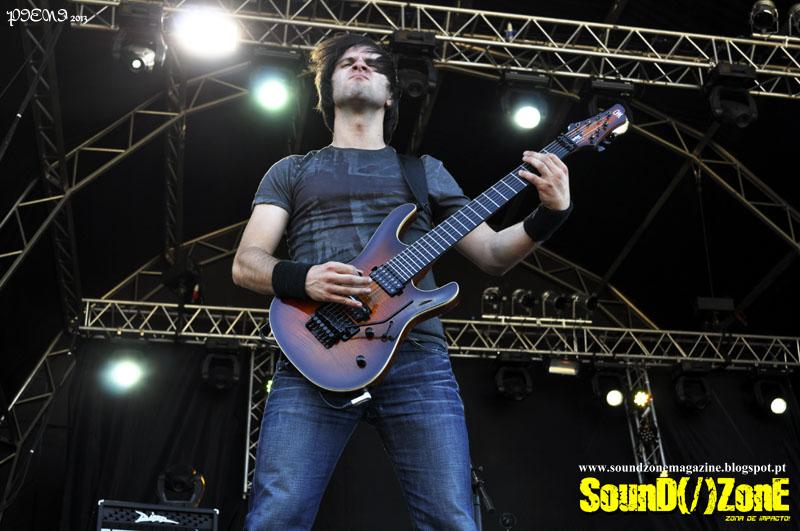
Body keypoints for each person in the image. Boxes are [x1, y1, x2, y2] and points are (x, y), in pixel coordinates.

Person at [232, 33, 572, 530]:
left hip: (416, 357)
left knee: (451, 519)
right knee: (276, 517)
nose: (360, 66)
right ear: (326, 91)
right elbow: (246, 263)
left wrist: (551, 213)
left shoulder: (423, 172)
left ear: (392, 95)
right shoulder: (292, 170)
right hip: (315, 354)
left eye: (373, 63)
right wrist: (304, 278)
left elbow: (494, 254)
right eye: (347, 62)